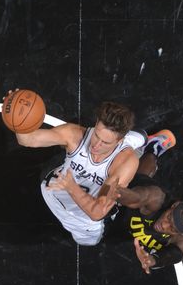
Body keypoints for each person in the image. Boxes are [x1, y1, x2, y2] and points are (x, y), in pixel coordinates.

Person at [15, 100, 145, 246]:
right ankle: (136, 138)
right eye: (97, 135)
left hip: (83, 221)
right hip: (54, 193)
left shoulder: (124, 163)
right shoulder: (74, 134)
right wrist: (16, 118)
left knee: (87, 242)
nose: (96, 145)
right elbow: (27, 139)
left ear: (119, 140)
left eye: (105, 143)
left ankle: (141, 144)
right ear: (96, 123)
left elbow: (97, 212)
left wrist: (71, 187)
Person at [107, 130, 183, 273]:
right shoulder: (156, 199)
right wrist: (118, 191)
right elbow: (138, 197)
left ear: (182, 233)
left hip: (121, 234)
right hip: (127, 202)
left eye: (172, 228)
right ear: (174, 205)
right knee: (139, 178)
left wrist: (152, 260)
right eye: (169, 218)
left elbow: (172, 256)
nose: (164, 225)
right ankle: (152, 149)